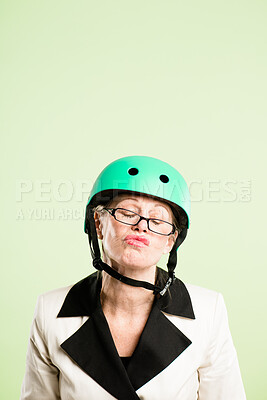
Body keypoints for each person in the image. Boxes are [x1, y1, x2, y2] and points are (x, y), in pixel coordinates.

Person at [20, 155, 246, 400]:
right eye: (127, 213)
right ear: (98, 223)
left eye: (158, 220)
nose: (142, 226)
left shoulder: (208, 311)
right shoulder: (49, 311)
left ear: (170, 240)